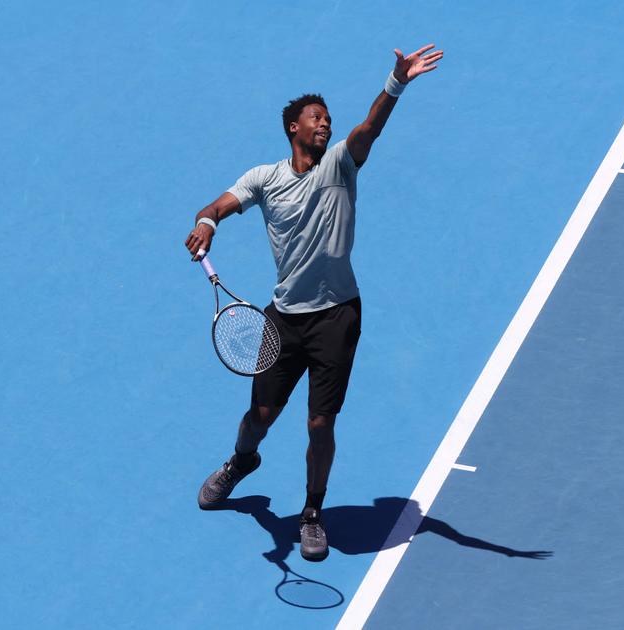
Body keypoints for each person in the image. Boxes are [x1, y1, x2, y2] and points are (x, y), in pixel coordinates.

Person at [183, 44, 443, 562]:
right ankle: (240, 463)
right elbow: (216, 206)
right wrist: (206, 224)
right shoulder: (264, 178)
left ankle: (311, 513)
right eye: (315, 118)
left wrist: (397, 83)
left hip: (337, 316)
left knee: (320, 423)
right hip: (284, 319)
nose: (325, 124)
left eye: (327, 118)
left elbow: (369, 127)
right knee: (259, 414)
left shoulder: (342, 165)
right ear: (293, 129)